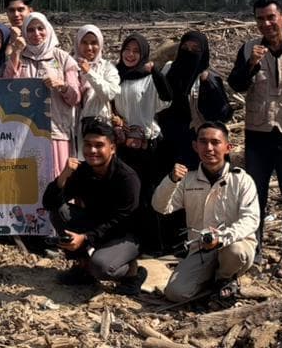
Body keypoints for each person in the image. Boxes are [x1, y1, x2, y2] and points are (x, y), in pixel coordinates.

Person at [227, 0, 282, 278]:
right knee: (254, 197)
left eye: (271, 17)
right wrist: (251, 63)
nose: (266, 23)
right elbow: (236, 83)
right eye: (261, 19)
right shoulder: (250, 48)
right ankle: (255, 251)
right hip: (259, 134)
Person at [151, 122, 259, 304]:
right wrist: (171, 180)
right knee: (176, 294)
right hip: (201, 250)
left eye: (215, 142)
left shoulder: (241, 179)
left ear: (227, 147)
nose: (209, 148)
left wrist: (223, 237)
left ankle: (226, 278)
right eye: (203, 142)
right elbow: (161, 206)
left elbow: (251, 219)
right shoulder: (187, 179)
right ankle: (212, 281)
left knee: (235, 252)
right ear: (195, 146)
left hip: (233, 245)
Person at [42, 118, 146, 295]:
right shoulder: (83, 170)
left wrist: (85, 238)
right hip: (95, 227)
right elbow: (49, 203)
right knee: (59, 210)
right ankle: (83, 267)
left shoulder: (127, 178)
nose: (92, 151)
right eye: (88, 145)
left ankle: (133, 272)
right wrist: (64, 176)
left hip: (126, 234)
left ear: (112, 148)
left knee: (101, 267)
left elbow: (122, 220)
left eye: (99, 145)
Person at [112, 33, 171, 254]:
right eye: (127, 49)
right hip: (124, 143)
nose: (130, 54)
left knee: (149, 195)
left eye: (136, 51)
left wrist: (155, 71)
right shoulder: (116, 74)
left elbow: (166, 99)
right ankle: (129, 243)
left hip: (148, 143)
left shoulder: (148, 77)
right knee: (128, 194)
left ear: (143, 54)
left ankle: (154, 245)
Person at [7, 12, 80, 174]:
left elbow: (75, 97)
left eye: (40, 28)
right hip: (26, 132)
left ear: (48, 29)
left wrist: (62, 85)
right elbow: (8, 85)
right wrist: (16, 52)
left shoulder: (62, 58)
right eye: (31, 30)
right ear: (25, 32)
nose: (36, 34)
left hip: (56, 131)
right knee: (29, 183)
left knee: (57, 178)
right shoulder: (20, 56)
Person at [156, 31, 234, 171]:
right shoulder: (169, 69)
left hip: (194, 140)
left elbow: (222, 114)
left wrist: (208, 88)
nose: (189, 52)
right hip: (167, 137)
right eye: (185, 48)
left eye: (195, 49)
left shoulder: (209, 78)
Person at [73, 24, 120, 153]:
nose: (89, 48)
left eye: (94, 43)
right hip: (71, 127)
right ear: (78, 43)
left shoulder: (107, 68)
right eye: (84, 42)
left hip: (97, 128)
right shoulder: (69, 65)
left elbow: (109, 93)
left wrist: (90, 73)